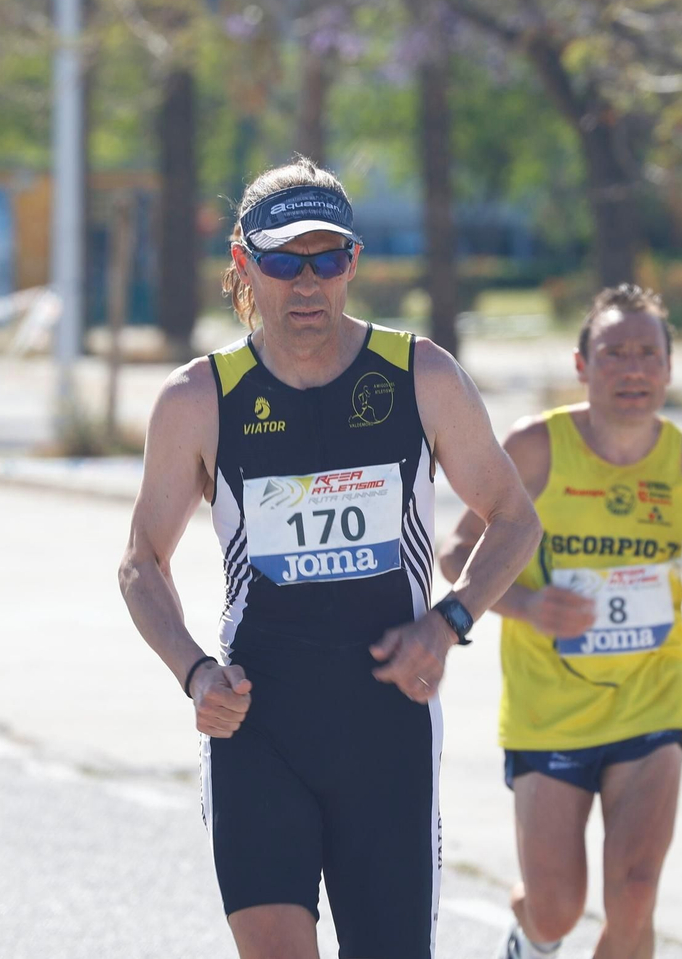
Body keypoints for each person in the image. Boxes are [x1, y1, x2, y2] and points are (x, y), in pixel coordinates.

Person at [117, 157, 542, 959]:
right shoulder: (199, 398)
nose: (306, 283)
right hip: (257, 725)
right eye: (283, 261)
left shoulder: (420, 374)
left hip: (386, 726)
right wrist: (195, 673)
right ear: (244, 263)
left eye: (327, 259)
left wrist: (449, 622)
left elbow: (514, 518)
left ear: (353, 262)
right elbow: (142, 560)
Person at [438, 284, 682, 959]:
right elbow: (457, 551)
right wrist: (523, 605)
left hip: (651, 700)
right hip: (547, 709)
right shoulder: (535, 448)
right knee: (557, 911)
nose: (633, 369)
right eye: (615, 353)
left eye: (648, 353)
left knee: (635, 895)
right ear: (583, 366)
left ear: (668, 368)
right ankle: (531, 932)